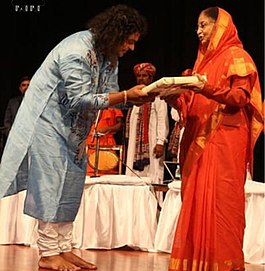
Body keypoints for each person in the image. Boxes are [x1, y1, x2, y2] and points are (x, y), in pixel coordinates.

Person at [0, 4, 155, 271]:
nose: (131, 48)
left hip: (74, 131)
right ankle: (48, 253)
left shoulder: (108, 58)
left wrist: (140, 97)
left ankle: (63, 247)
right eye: (129, 41)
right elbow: (79, 98)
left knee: (70, 187)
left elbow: (110, 95)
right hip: (47, 123)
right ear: (116, 34)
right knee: (50, 185)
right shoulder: (77, 50)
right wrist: (128, 96)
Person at [159, 7, 264, 271]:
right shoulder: (201, 62)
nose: (198, 31)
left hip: (225, 139)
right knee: (195, 200)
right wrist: (174, 96)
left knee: (222, 204)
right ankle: (195, 263)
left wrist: (203, 86)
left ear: (220, 27)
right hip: (199, 140)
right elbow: (193, 106)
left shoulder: (238, 57)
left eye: (204, 25)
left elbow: (240, 98)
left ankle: (223, 265)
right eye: (197, 26)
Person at [125, 62, 169, 206]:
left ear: (151, 78)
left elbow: (163, 120)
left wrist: (160, 141)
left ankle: (154, 209)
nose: (141, 79)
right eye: (138, 76)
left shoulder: (157, 97)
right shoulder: (135, 99)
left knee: (154, 176)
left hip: (152, 146)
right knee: (134, 177)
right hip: (134, 148)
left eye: (144, 76)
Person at [86, 108, 124, 176]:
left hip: (108, 143)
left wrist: (108, 129)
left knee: (107, 172)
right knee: (89, 173)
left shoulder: (114, 104)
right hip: (90, 142)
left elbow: (120, 125)